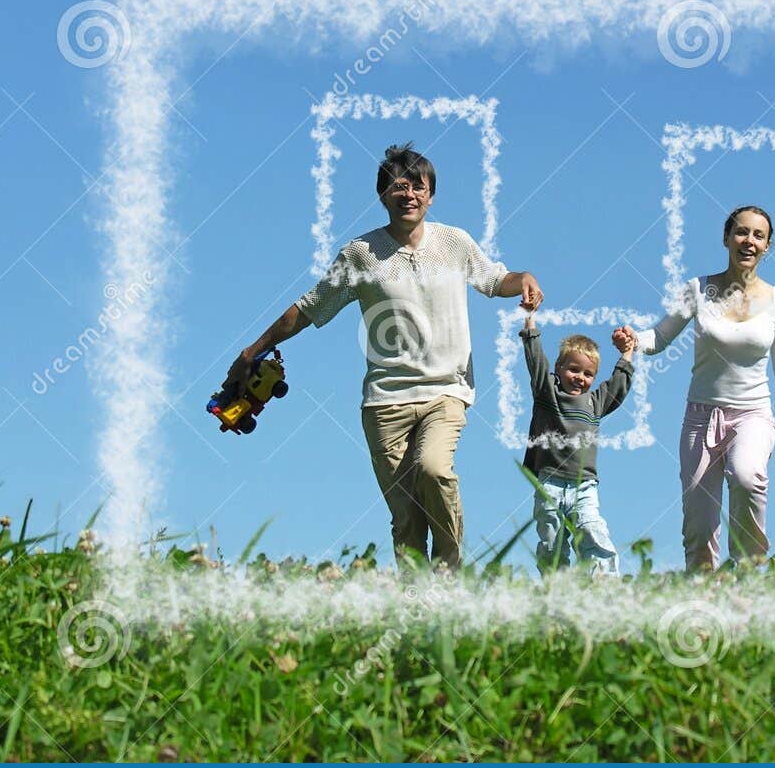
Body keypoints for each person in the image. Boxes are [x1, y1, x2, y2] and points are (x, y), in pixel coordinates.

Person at [224, 144, 542, 568]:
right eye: (398, 186)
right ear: (382, 195)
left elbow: (496, 278)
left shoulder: (454, 243)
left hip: (445, 391)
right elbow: (309, 307)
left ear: (431, 196)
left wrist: (524, 279)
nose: (408, 194)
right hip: (384, 402)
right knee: (407, 519)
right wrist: (252, 351)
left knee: (433, 469)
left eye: (418, 187)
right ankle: (415, 609)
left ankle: (450, 579)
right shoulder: (361, 254)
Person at [614, 205, 775, 571]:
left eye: (758, 235)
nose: (748, 241)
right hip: (700, 418)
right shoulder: (698, 290)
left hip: (753, 415)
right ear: (726, 238)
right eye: (741, 232)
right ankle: (704, 596)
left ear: (767, 246)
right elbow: (659, 337)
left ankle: (750, 572)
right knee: (699, 524)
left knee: (747, 475)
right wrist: (633, 340)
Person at [520, 313, 635, 575]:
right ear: (558, 368)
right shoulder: (546, 391)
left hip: (584, 485)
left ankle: (603, 582)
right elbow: (535, 359)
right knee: (552, 541)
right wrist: (529, 321)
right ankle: (556, 586)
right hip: (550, 482)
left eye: (588, 373)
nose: (580, 377)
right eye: (573, 369)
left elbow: (618, 385)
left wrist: (627, 353)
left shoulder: (595, 402)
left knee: (592, 530)